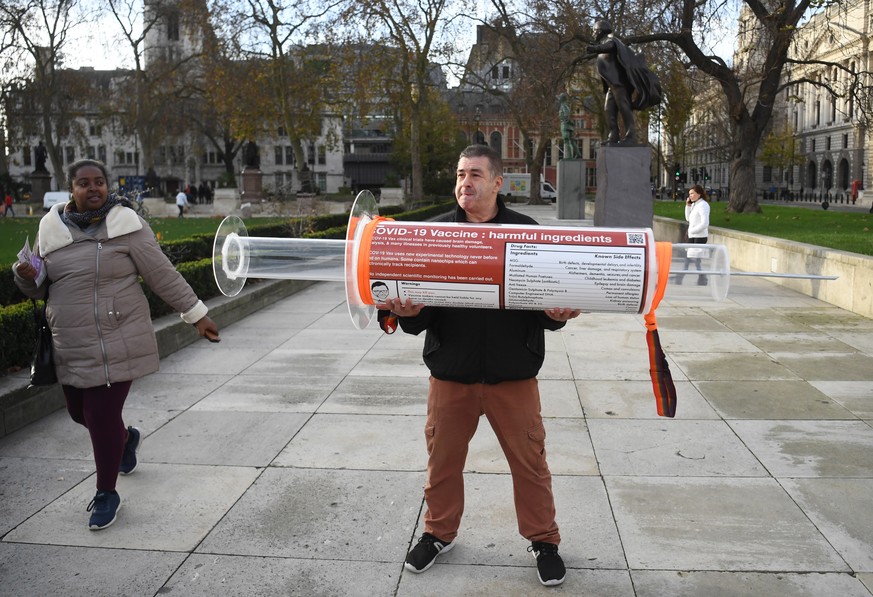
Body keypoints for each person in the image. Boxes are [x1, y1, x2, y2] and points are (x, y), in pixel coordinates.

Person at [377, 145, 580, 587]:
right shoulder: (432, 236)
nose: (464, 182)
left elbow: (543, 306)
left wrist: (554, 315)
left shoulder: (528, 233)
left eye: (474, 174)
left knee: (530, 465)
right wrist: (409, 314)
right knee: (442, 463)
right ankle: (438, 533)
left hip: (513, 375)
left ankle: (544, 541)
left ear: (497, 183)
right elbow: (419, 313)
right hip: (451, 373)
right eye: (459, 174)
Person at [11, 159, 220, 531]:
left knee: (100, 415)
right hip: (70, 342)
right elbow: (42, 287)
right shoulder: (50, 229)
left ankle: (106, 493)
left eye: (100, 182)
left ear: (108, 186)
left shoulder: (127, 224)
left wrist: (197, 315)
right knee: (81, 414)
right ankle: (125, 440)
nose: (93, 189)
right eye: (83, 183)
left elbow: (162, 275)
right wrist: (27, 275)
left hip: (117, 338)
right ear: (70, 188)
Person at [586, 20, 661, 145]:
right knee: (608, 110)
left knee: (624, 107)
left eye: (594, 31)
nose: (593, 34)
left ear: (600, 31)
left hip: (620, 84)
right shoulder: (604, 44)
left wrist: (595, 48)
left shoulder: (611, 41)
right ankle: (613, 135)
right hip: (612, 85)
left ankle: (631, 136)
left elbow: (611, 46)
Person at [684, 184, 711, 285]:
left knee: (693, 258)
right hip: (693, 236)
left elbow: (705, 223)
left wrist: (693, 231)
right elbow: (688, 218)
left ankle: (680, 277)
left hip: (699, 236)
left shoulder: (703, 205)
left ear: (699, 194)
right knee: (691, 257)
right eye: (689, 194)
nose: (690, 196)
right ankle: (702, 278)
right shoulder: (695, 204)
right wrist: (688, 206)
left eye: (692, 193)